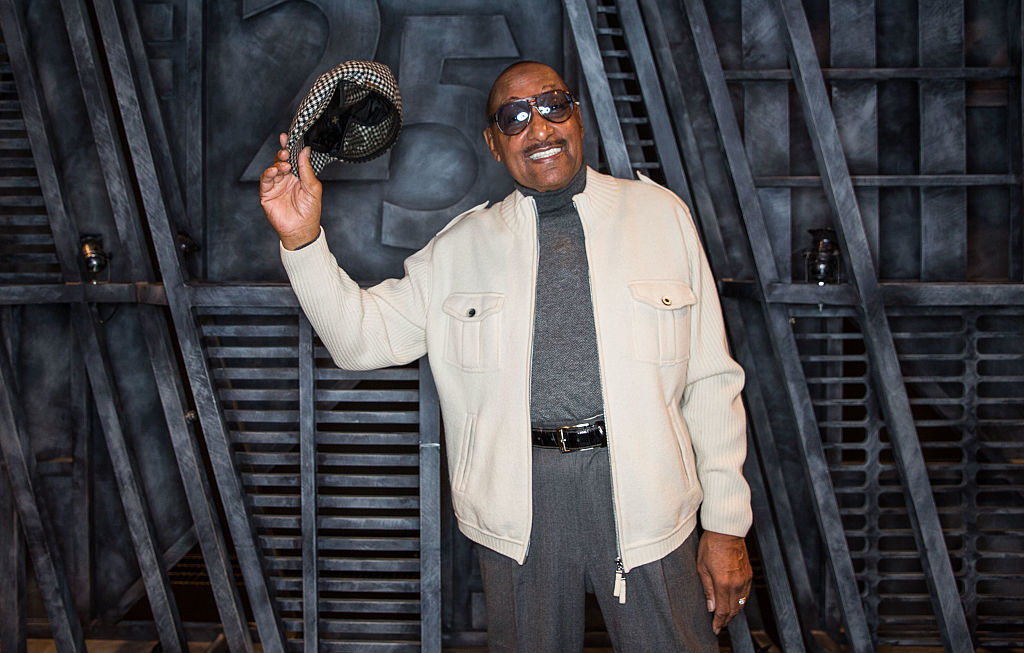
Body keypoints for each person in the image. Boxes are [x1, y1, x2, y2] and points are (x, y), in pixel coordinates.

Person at [261, 61, 752, 652]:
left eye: (553, 105)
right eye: (514, 118)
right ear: (495, 146)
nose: (539, 128)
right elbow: (358, 339)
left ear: (577, 116)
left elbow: (711, 379)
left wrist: (726, 524)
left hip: (652, 498)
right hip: (519, 512)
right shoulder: (460, 249)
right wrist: (301, 240)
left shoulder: (660, 216)